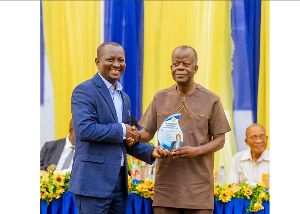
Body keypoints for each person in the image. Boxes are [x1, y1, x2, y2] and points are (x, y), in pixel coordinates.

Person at [69, 42, 168, 214]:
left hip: (119, 185)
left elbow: (124, 140)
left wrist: (151, 152)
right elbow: (85, 130)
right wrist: (122, 129)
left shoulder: (124, 97)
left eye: (121, 60)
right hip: (93, 184)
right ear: (98, 62)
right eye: (110, 59)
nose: (116, 64)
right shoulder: (84, 90)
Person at [138, 45, 231, 214]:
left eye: (186, 64)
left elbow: (220, 140)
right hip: (166, 186)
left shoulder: (211, 100)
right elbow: (147, 134)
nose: (180, 68)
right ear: (171, 68)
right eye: (176, 64)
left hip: (198, 189)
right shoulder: (160, 97)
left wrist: (196, 151)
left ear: (195, 68)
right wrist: (130, 134)